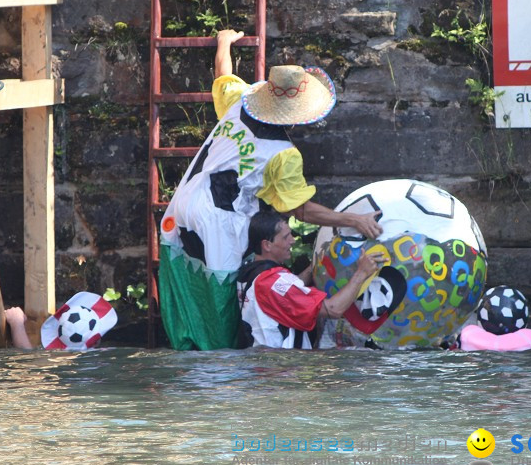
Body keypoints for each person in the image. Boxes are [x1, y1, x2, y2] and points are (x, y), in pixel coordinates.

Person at [158, 29, 384, 351]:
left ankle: (184, 349)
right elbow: (300, 209)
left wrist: (223, 42)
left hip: (182, 203)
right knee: (222, 301)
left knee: (186, 288)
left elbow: (224, 76)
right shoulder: (282, 153)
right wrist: (353, 220)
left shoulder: (242, 100)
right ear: (299, 115)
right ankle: (217, 370)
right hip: (220, 220)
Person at [237, 210, 384, 349]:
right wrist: (362, 273)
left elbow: (287, 293)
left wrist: (314, 266)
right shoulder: (272, 282)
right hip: (281, 369)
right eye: (285, 237)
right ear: (267, 245)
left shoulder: (249, 274)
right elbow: (333, 309)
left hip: (261, 362)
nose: (292, 241)